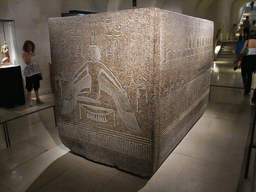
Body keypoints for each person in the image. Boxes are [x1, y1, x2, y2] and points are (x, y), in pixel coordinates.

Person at [22, 40, 43, 107]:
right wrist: (30, 56)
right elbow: (26, 62)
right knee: (29, 86)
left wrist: (40, 71)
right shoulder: (24, 53)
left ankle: (38, 98)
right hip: (29, 72)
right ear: (26, 47)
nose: (30, 47)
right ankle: (30, 100)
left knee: (36, 85)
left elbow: (36, 62)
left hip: (35, 71)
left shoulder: (33, 52)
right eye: (28, 46)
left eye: (31, 46)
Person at [239, 30, 256, 96]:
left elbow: (243, 50)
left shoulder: (247, 41)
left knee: (243, 73)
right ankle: (248, 89)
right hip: (254, 59)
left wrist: (239, 55)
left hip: (247, 59)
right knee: (250, 74)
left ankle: (246, 87)